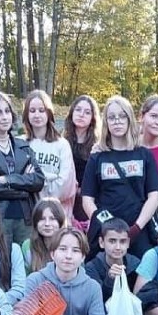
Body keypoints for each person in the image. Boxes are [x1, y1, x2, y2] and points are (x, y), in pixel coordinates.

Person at [81, 96, 158, 259]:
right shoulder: (97, 157)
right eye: (112, 117)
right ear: (106, 122)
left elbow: (154, 196)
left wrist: (136, 228)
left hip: (139, 230)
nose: (117, 121)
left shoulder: (144, 155)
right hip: (106, 234)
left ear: (130, 119)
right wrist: (106, 225)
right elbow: (87, 200)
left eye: (122, 116)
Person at [0, 91, 45, 247]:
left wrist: (6, 179)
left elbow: (38, 180)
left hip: (26, 217)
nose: (4, 117)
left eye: (7, 111)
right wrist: (25, 186)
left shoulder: (23, 146)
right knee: (2, 264)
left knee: (27, 262)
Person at [22, 89, 77, 217]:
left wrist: (37, 179)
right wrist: (50, 176)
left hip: (57, 215)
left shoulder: (62, 145)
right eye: (32, 111)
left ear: (49, 113)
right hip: (30, 215)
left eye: (41, 110)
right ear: (26, 114)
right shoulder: (21, 143)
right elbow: (20, 182)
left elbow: (66, 186)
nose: (37, 115)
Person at [63, 95, 101, 231]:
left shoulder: (98, 145)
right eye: (78, 110)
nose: (81, 115)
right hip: (65, 198)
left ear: (93, 117)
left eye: (87, 112)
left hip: (87, 199)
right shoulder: (61, 142)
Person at [84, 218, 141, 302]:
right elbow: (97, 300)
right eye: (112, 241)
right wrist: (110, 280)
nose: (118, 247)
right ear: (101, 242)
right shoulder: (92, 267)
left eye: (122, 241)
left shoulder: (136, 264)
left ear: (128, 243)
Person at [22, 197, 68, 273]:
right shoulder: (27, 246)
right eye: (42, 219)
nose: (47, 224)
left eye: (52, 219)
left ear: (60, 221)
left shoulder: (71, 244)